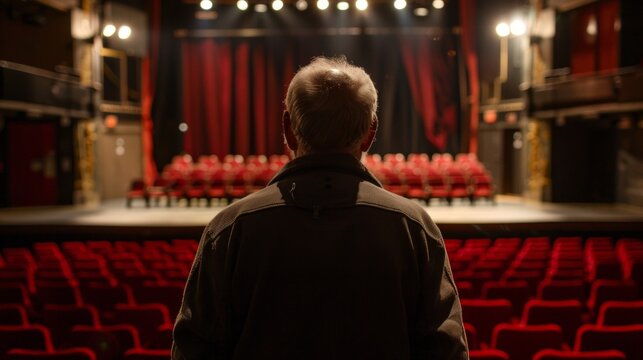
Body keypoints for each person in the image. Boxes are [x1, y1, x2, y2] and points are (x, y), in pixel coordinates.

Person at [172, 56, 468, 359]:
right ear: (370, 133)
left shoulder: (230, 228)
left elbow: (194, 349)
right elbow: (446, 350)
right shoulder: (413, 227)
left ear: (288, 128)